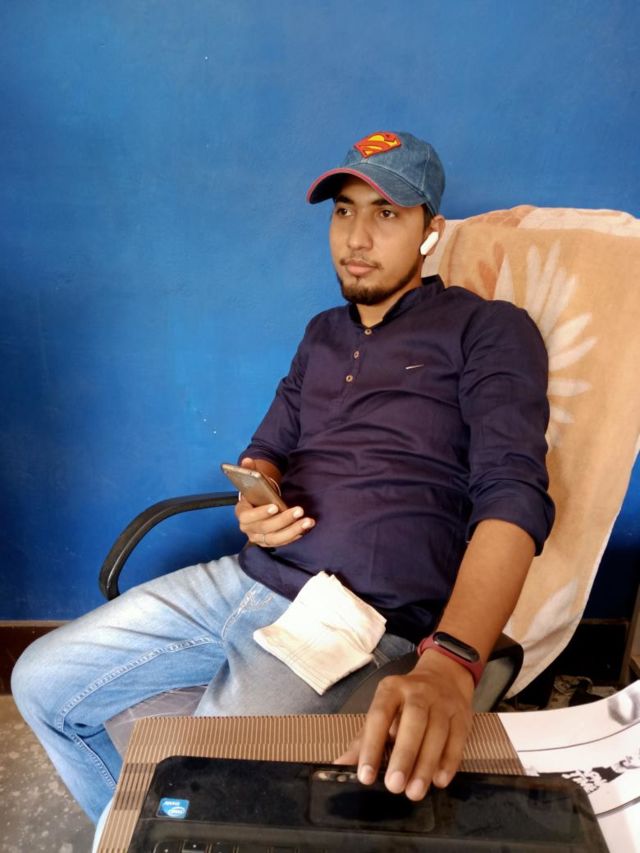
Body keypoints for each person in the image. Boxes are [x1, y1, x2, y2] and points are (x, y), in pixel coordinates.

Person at [11, 130, 554, 822]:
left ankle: (174, 828)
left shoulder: (488, 328)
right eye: (343, 210)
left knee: (199, 787)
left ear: (431, 231)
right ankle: (141, 831)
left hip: (352, 613)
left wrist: (453, 658)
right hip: (243, 580)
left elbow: (514, 492)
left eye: (387, 213)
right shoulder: (322, 333)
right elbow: (267, 446)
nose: (357, 236)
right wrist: (255, 498)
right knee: (40, 682)